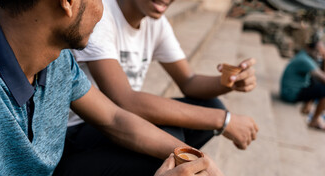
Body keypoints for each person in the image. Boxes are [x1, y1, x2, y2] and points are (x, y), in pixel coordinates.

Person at [0, 1, 241, 176]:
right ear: (67, 2)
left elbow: (115, 119)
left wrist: (202, 161)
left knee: (162, 150)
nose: (103, 8)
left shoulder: (55, 55)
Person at [71, 0, 259, 151]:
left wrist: (230, 81)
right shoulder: (100, 15)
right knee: (169, 142)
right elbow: (125, 100)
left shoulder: (156, 25)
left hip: (121, 120)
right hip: (79, 129)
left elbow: (188, 81)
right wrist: (224, 120)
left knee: (210, 106)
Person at [280, 36, 325, 130]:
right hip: (290, 94)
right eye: (317, 51)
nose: (319, 54)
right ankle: (314, 121)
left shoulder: (304, 54)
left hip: (290, 90)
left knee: (315, 80)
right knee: (323, 89)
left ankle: (307, 108)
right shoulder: (305, 60)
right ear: (309, 48)